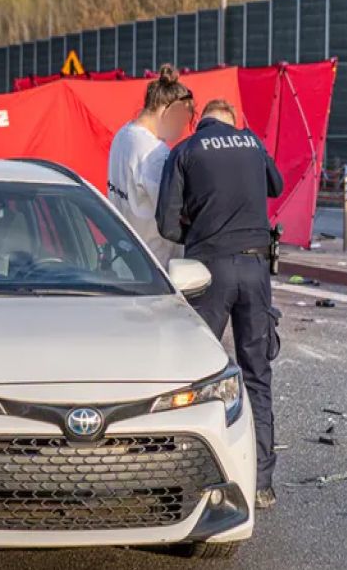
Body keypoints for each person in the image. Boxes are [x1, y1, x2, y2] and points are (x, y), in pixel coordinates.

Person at [156, 98, 284, 511]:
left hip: (207, 270)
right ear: (232, 123)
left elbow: (166, 223)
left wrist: (198, 227)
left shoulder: (185, 151)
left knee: (196, 373)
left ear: (200, 121)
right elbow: (276, 186)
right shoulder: (251, 142)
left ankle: (190, 477)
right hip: (255, 267)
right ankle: (261, 483)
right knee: (257, 375)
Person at [106, 64, 192, 265]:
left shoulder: (123, 135)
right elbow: (174, 209)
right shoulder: (155, 154)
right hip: (155, 263)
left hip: (124, 255)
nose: (180, 129)